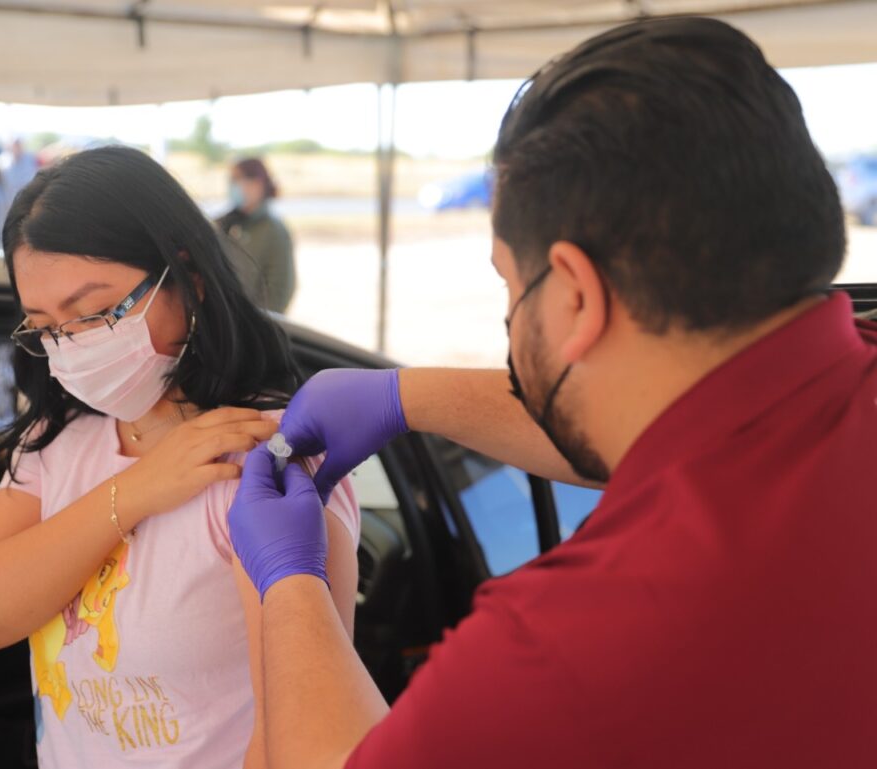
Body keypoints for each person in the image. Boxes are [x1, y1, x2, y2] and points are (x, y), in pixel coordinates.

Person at [226, 17, 877, 769]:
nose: (508, 308)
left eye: (509, 278)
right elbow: (650, 424)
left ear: (573, 293)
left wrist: (292, 584)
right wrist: (405, 397)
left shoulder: (567, 647)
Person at [0, 146, 360, 769]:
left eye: (93, 312)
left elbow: (300, 729)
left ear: (185, 278)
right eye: (47, 327)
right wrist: (140, 489)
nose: (74, 345)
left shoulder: (263, 453)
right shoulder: (58, 441)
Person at [217, 158, 296, 313]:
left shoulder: (274, 231)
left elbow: (279, 291)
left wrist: (254, 325)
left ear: (258, 184)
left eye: (238, 179)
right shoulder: (223, 224)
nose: (233, 186)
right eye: (231, 180)